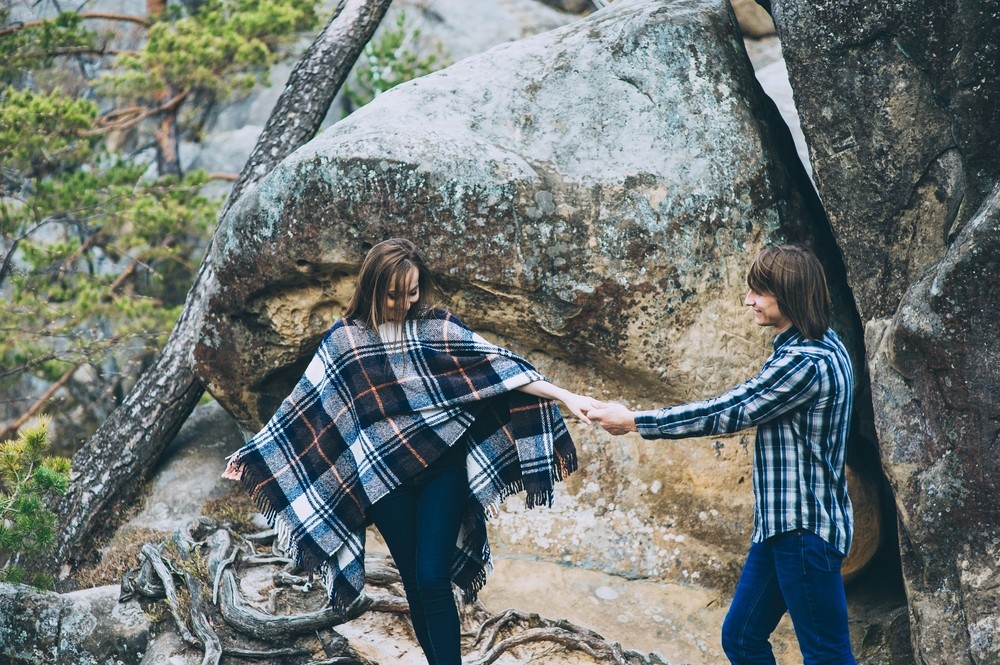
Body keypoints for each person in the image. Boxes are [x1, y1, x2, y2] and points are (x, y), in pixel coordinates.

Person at [222, 238, 593, 665]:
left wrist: (567, 396)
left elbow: (502, 370)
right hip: (383, 480)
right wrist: (258, 457)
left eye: (412, 291)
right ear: (373, 287)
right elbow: (305, 409)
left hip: (442, 468)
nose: (403, 302)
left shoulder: (435, 327)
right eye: (394, 294)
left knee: (433, 577)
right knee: (416, 584)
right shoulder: (345, 341)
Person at [588, 243, 856, 665]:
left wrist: (636, 420)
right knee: (742, 637)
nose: (748, 300)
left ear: (791, 295)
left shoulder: (805, 362)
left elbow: (727, 411)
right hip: (780, 527)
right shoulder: (822, 343)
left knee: (826, 655)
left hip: (803, 531)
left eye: (759, 292)